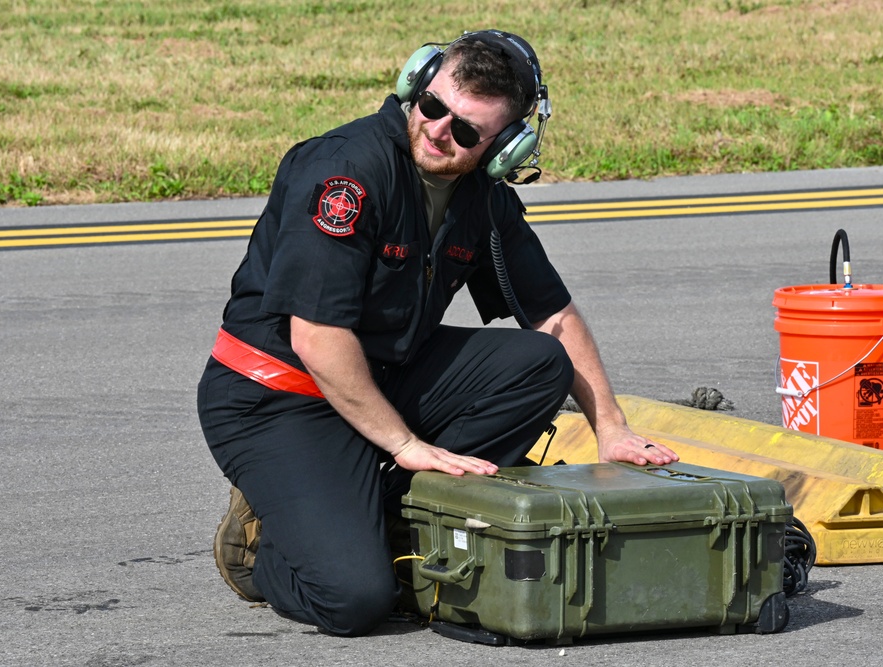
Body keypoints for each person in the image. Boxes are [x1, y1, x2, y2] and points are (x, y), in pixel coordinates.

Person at [197, 29, 678, 637]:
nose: (439, 131)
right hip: (276, 398)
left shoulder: (482, 197)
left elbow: (552, 315)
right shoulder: (344, 173)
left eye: (468, 131)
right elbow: (318, 339)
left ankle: (378, 511)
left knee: (540, 361)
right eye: (432, 107)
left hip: (382, 377)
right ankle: (263, 549)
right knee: (356, 598)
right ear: (416, 86)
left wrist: (611, 428)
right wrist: (404, 445)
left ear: (504, 145)